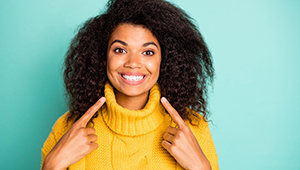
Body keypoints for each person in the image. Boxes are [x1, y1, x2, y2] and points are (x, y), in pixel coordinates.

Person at [41, 0, 218, 169]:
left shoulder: (193, 129)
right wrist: (51, 166)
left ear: (164, 60)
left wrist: (201, 167)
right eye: (120, 50)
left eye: (148, 52)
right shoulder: (68, 128)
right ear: (103, 58)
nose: (133, 63)